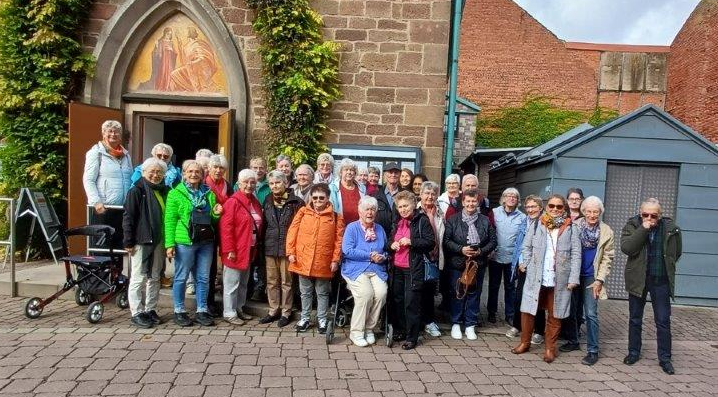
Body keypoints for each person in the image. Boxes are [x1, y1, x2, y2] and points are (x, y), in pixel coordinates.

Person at [511, 194, 580, 363]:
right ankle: (524, 343)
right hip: (536, 275)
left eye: (559, 207)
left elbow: (576, 254)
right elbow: (526, 246)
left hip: (559, 278)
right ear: (546, 207)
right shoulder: (537, 224)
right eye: (551, 206)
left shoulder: (571, 227)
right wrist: (524, 263)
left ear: (564, 208)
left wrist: (573, 278)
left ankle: (550, 348)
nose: (555, 209)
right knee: (527, 310)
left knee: (555, 313)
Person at [620, 198, 681, 375]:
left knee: (663, 320)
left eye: (653, 215)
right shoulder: (632, 224)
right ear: (640, 213)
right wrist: (644, 229)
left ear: (659, 215)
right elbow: (628, 248)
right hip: (638, 278)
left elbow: (676, 253)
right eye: (645, 214)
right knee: (635, 318)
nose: (649, 218)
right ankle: (633, 352)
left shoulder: (671, 228)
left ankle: (665, 358)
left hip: (660, 280)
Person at [165, 160, 223, 327]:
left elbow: (211, 220)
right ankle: (179, 310)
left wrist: (216, 213)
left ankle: (202, 310)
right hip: (185, 241)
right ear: (184, 173)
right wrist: (169, 245)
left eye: (197, 171)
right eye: (190, 171)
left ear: (202, 174)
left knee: (204, 278)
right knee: (181, 277)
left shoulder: (209, 194)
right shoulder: (175, 193)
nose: (193, 174)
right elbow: (169, 221)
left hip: (206, 242)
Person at [558, 196, 615, 365]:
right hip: (574, 274)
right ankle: (574, 341)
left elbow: (607, 257)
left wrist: (600, 279)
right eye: (589, 211)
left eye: (595, 211)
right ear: (583, 211)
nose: (592, 214)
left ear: (600, 212)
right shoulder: (573, 226)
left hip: (592, 277)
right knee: (572, 309)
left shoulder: (606, 231)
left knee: (591, 313)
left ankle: (593, 350)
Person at [286, 183, 345, 333]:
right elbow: (292, 232)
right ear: (311, 198)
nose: (318, 200)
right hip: (303, 258)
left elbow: (339, 241)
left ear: (327, 198)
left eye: (321, 197)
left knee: (322, 292)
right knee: (305, 292)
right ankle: (305, 318)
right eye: (315, 197)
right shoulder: (302, 212)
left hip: (323, 260)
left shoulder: (336, 217)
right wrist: (290, 252)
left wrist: (335, 259)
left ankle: (322, 320)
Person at [443, 189, 497, 340]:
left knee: (474, 294)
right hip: (458, 263)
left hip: (477, 263)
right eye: (468, 201)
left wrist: (480, 251)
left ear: (478, 202)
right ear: (463, 202)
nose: (471, 204)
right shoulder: (453, 220)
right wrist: (461, 249)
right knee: (458, 293)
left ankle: (470, 324)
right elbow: (446, 241)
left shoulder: (485, 220)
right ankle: (455, 323)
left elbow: (493, 241)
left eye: (474, 201)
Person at [123, 158, 169, 328]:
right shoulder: (137, 190)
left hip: (159, 239)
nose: (155, 175)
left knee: (155, 276)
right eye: (152, 171)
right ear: (143, 172)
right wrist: (128, 241)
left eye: (159, 172)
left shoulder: (165, 190)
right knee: (138, 276)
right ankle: (136, 311)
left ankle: (150, 308)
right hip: (141, 240)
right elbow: (128, 217)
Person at [388, 191, 435, 350]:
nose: (402, 209)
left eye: (405, 206)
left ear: (413, 205)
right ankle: (400, 330)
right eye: (400, 206)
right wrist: (391, 245)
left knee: (411, 303)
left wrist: (411, 241)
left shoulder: (422, 220)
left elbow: (430, 243)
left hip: (413, 268)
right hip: (397, 269)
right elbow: (389, 241)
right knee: (398, 301)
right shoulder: (397, 222)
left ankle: (412, 337)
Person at [341, 196, 389, 347]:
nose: (370, 212)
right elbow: (347, 251)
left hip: (376, 269)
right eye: (367, 209)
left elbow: (386, 250)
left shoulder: (380, 229)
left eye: (373, 209)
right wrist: (368, 255)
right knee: (366, 294)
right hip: (355, 268)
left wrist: (382, 257)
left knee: (381, 293)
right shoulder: (352, 228)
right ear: (360, 211)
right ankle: (356, 332)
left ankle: (369, 328)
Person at [259, 171, 304, 327]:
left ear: (286, 183)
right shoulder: (267, 200)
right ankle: (273, 310)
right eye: (271, 183)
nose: (274, 186)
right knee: (271, 281)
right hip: (270, 246)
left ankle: (286, 311)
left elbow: (300, 228)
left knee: (287, 281)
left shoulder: (296, 202)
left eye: (277, 183)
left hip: (287, 247)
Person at [219, 169, 262, 325]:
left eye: (252, 182)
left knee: (243, 282)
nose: (249, 185)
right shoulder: (233, 202)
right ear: (238, 184)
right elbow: (226, 228)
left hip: (249, 248)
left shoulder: (254, 202)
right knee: (232, 283)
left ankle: (239, 308)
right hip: (235, 249)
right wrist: (229, 249)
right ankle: (229, 312)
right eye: (246, 182)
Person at [82, 120, 133, 249]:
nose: (113, 134)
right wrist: (96, 202)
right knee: (102, 246)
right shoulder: (96, 153)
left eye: (116, 131)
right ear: (103, 133)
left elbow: (130, 179)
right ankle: (101, 270)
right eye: (109, 131)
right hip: (104, 208)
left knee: (118, 245)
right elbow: (88, 179)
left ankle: (117, 270)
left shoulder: (126, 155)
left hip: (122, 208)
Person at [505, 195, 546, 345]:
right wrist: (520, 263)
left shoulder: (545, 223)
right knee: (519, 296)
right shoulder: (524, 222)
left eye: (534, 206)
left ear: (540, 208)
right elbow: (520, 245)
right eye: (528, 207)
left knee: (537, 299)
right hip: (522, 265)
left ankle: (539, 331)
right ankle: (517, 326)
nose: (530, 210)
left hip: (537, 266)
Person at [488, 188, 526, 324]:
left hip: (512, 258)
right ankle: (491, 312)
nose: (511, 198)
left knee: (510, 287)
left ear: (517, 200)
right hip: (495, 256)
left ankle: (510, 314)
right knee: (493, 285)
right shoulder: (494, 212)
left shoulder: (522, 217)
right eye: (508, 196)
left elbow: (522, 239)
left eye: (514, 197)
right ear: (503, 198)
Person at [204, 154, 233, 316]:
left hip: (223, 228)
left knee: (220, 267)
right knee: (208, 268)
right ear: (209, 168)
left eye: (221, 168)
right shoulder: (203, 184)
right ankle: (207, 302)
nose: (218, 170)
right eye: (215, 167)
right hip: (207, 229)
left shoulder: (227, 186)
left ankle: (219, 301)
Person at [416, 181, 445, 337]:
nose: (430, 196)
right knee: (417, 291)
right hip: (418, 258)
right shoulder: (415, 210)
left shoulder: (440, 212)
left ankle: (428, 321)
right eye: (427, 193)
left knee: (429, 291)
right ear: (420, 195)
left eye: (433, 193)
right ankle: (417, 323)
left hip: (434, 256)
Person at [560, 187, 586, 340]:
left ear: (582, 200)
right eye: (571, 199)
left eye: (577, 199)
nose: (574, 201)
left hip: (582, 265)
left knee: (578, 300)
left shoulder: (587, 217)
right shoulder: (563, 217)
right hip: (565, 265)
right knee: (564, 298)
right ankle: (563, 329)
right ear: (567, 201)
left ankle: (574, 331)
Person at [248, 157, 270, 301]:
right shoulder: (242, 183)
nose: (258, 170)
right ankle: (248, 289)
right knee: (249, 260)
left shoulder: (270, 185)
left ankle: (260, 289)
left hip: (266, 228)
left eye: (261, 167)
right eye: (255, 167)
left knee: (262, 261)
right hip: (248, 228)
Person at [329, 158, 366, 224]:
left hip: (359, 226)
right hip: (340, 226)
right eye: (346, 170)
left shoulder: (362, 188)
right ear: (341, 172)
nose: (349, 172)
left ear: (355, 173)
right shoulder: (332, 188)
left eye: (351, 170)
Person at [370, 161, 401, 235]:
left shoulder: (405, 195)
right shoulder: (375, 196)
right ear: (385, 175)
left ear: (399, 175)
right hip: (379, 235)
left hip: (399, 238)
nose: (393, 175)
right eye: (390, 172)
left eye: (396, 172)